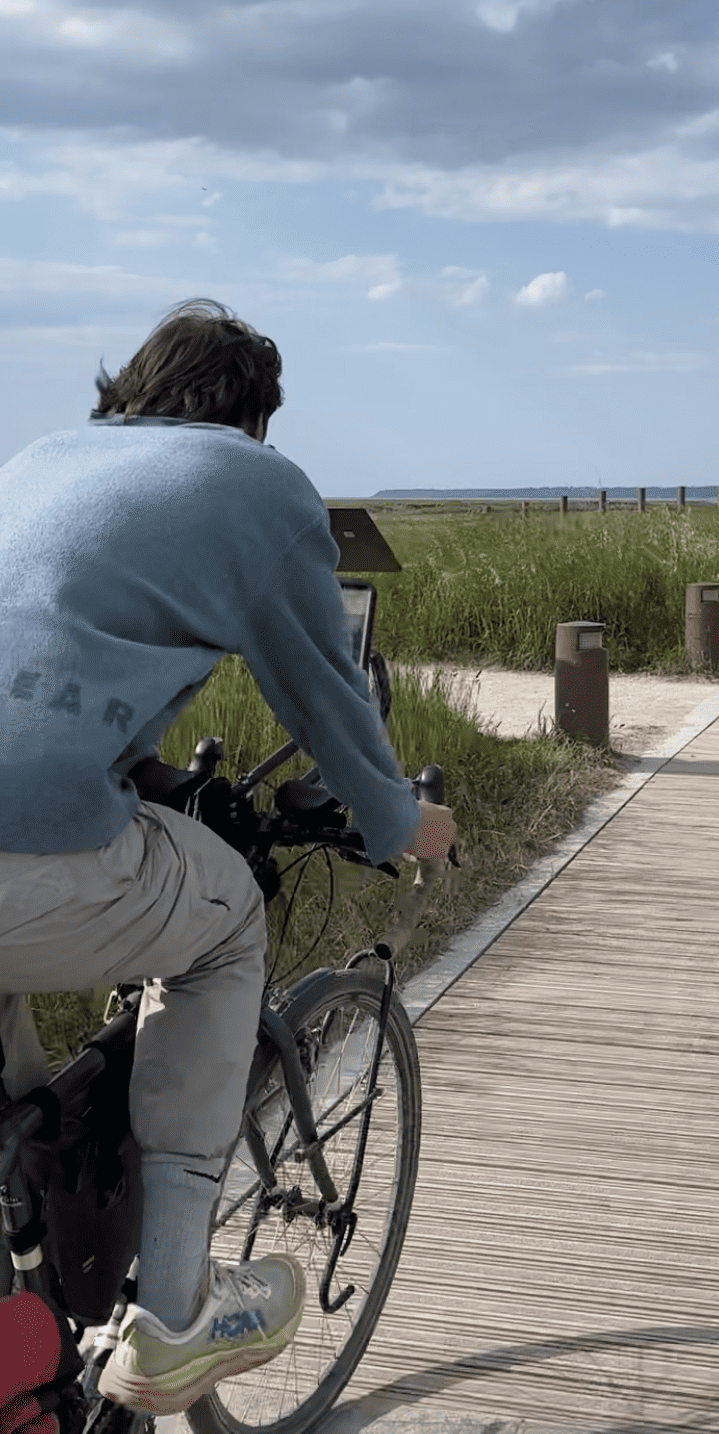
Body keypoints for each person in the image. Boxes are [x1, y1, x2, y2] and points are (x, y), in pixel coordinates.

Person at [0, 300, 456, 1413]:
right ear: (250, 418)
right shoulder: (256, 484)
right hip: (30, 849)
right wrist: (402, 821)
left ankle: (33, 1240)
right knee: (223, 921)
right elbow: (328, 695)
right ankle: (175, 1315)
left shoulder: (35, 462)